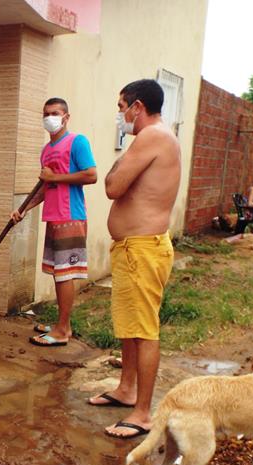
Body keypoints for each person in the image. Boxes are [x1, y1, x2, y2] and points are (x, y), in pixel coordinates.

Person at [88, 79, 181, 439]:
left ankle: (143, 414)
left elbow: (112, 185)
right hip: (134, 248)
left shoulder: (152, 137)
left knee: (143, 330)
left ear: (137, 106)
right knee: (130, 325)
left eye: (121, 105)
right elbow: (118, 180)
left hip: (142, 248)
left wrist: (119, 164)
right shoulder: (153, 139)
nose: (119, 114)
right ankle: (126, 390)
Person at [11, 97, 97, 347]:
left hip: (71, 216)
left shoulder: (77, 142)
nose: (50, 117)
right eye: (46, 113)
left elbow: (91, 175)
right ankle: (63, 324)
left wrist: (55, 176)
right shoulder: (46, 150)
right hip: (54, 215)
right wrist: (24, 209)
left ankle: (62, 331)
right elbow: (46, 186)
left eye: (55, 113)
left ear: (66, 117)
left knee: (64, 275)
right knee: (58, 273)